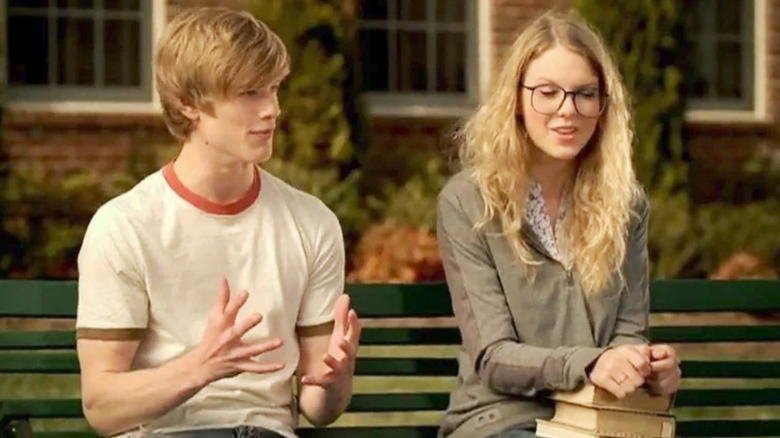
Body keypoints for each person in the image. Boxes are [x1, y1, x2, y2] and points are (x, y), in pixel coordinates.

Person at [75, 7, 360, 438]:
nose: (272, 110)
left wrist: (335, 383)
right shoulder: (125, 226)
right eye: (250, 94)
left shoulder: (311, 222)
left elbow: (318, 408)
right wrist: (200, 367)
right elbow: (102, 407)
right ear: (188, 104)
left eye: (273, 89)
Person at [436, 10, 680, 438]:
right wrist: (590, 362)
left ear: (604, 105)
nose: (567, 111)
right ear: (516, 98)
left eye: (585, 94)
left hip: (599, 420)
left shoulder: (626, 205)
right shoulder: (469, 202)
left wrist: (646, 366)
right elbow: (493, 357)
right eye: (547, 92)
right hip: (501, 422)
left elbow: (627, 331)